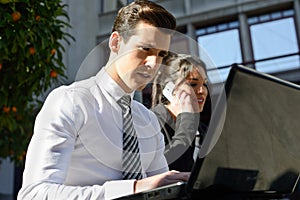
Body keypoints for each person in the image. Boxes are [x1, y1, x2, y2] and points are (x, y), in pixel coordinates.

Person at [17, 1, 190, 199]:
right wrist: (132, 188)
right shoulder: (70, 101)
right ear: (116, 42)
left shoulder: (149, 122)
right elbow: (34, 194)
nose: (153, 63)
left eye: (161, 55)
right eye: (145, 49)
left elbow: (161, 193)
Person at [151, 53, 210, 172]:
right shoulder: (150, 122)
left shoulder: (201, 129)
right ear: (170, 89)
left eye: (204, 84)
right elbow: (167, 167)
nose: (202, 91)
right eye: (193, 84)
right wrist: (187, 120)